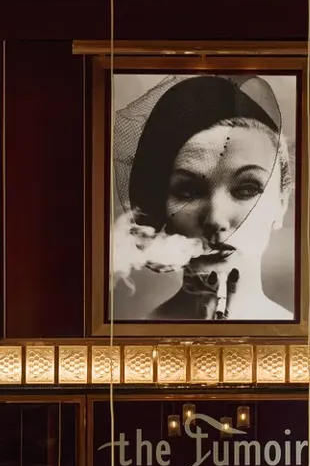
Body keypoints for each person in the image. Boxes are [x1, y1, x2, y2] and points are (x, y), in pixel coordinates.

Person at [115, 74, 294, 321]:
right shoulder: (136, 346)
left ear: (281, 204)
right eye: (189, 192)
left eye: (246, 189)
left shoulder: (304, 346)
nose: (215, 219)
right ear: (160, 207)